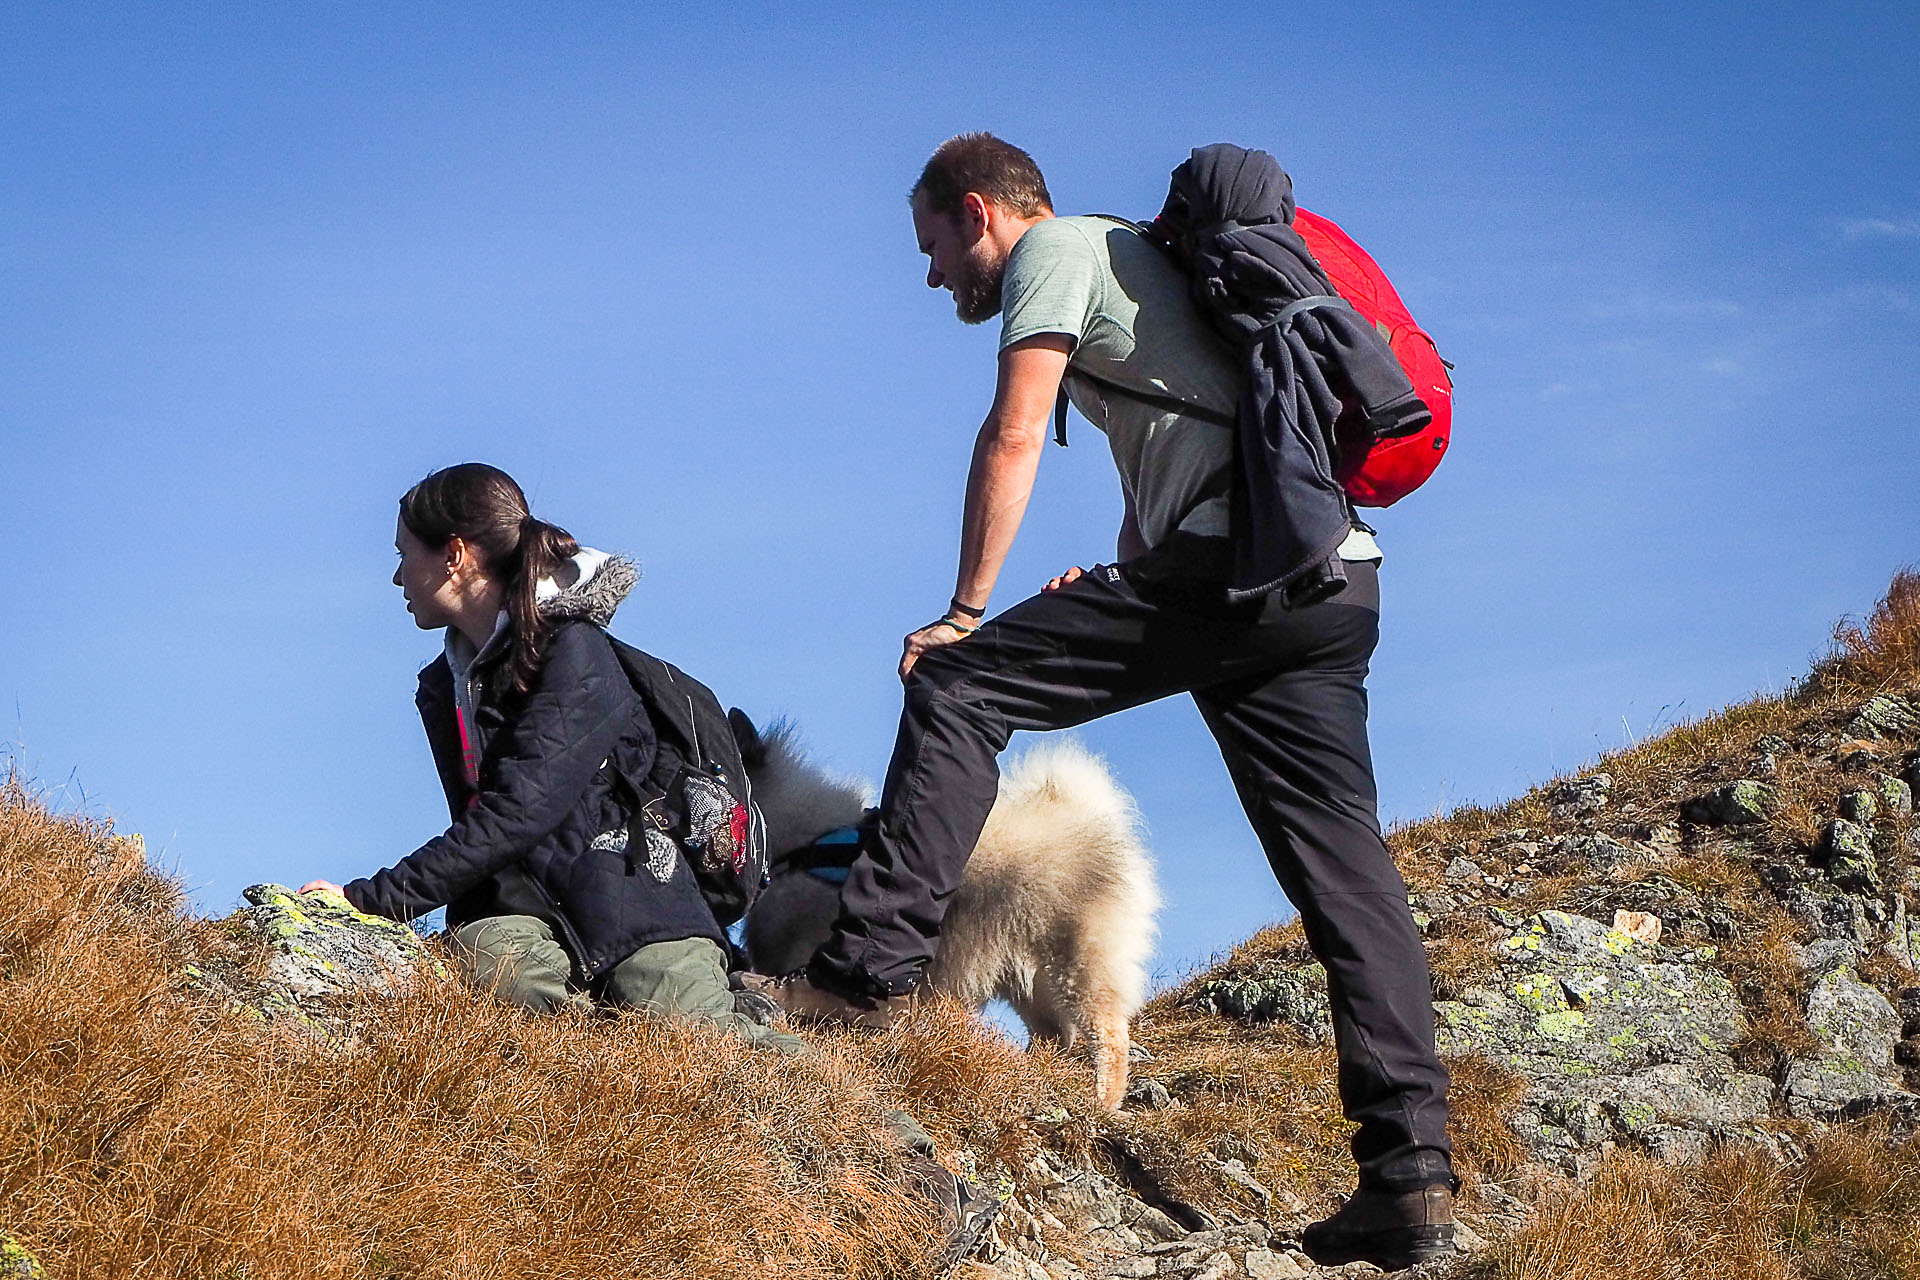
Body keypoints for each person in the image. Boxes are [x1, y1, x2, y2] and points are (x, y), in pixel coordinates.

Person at [747, 135, 1459, 1269]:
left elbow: (1013, 431)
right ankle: (1408, 1175)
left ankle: (858, 980)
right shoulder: (1145, 264)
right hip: (1330, 574)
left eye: (933, 248)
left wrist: (964, 610)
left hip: (1234, 572)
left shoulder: (1056, 255)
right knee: (1349, 877)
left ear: (980, 212)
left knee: (957, 684)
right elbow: (1175, 464)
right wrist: (1127, 575)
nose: (934, 277)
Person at [301, 462, 797, 1051]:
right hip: (534, 910)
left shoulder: (576, 653)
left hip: (637, 900)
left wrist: (367, 902)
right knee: (482, 959)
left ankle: (900, 1142)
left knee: (695, 1037)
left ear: (454, 555)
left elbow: (514, 815)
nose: (396, 576)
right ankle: (613, 1056)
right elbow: (489, 826)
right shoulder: (446, 686)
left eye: (405, 554)